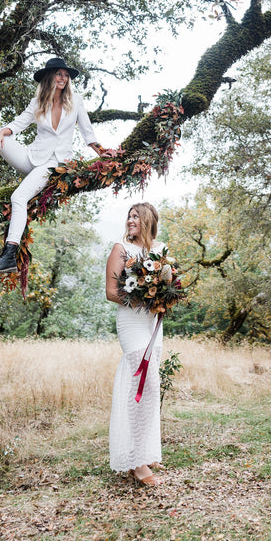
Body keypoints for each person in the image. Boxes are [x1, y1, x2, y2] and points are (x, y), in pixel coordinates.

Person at [0, 57, 106, 274]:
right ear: (49, 76)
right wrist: (1, 132)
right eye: (58, 73)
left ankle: (9, 254)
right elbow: (18, 125)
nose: (63, 78)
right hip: (32, 157)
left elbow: (87, 133)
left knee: (18, 197)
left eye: (66, 75)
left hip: (56, 165)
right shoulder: (37, 102)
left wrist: (102, 153)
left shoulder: (76, 101)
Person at [106, 202, 164, 487]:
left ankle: (142, 452)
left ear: (148, 221)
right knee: (142, 387)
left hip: (152, 324)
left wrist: (164, 298)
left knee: (151, 390)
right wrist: (143, 299)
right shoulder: (121, 249)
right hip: (131, 323)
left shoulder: (159, 250)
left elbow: (167, 284)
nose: (130, 221)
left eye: (135, 217)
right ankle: (136, 463)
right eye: (128, 216)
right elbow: (110, 292)